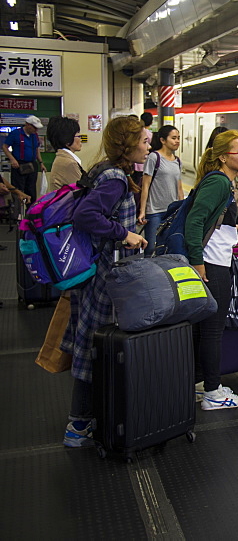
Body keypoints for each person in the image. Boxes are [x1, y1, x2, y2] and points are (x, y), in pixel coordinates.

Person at [61, 116, 149, 447]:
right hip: (105, 276)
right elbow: (86, 216)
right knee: (93, 346)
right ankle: (79, 425)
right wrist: (124, 233)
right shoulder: (114, 178)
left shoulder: (103, 170)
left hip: (96, 270)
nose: (147, 145)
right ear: (128, 145)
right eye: (143, 140)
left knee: (93, 343)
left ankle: (88, 418)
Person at [186, 130, 238, 410]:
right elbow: (194, 221)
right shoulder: (220, 183)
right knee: (213, 330)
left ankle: (201, 383)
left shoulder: (222, 181)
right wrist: (198, 263)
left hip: (212, 261)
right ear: (224, 156)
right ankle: (213, 392)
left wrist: (230, 226)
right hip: (212, 266)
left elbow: (211, 218)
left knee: (202, 330)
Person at [138, 125, 184, 256]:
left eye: (178, 138)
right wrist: (142, 211)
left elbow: (179, 187)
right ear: (163, 140)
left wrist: (182, 208)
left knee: (166, 246)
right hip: (154, 211)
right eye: (173, 138)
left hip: (172, 212)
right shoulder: (154, 157)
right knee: (151, 247)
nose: (177, 141)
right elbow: (145, 185)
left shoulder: (178, 161)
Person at [3, 114, 46, 203]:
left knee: (31, 190)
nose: (36, 130)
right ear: (27, 124)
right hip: (19, 165)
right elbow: (5, 147)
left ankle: (30, 212)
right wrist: (12, 159)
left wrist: (41, 162)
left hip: (32, 164)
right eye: (34, 127)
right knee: (18, 189)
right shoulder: (16, 133)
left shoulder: (35, 135)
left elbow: (37, 149)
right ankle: (17, 212)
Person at [46, 116, 84, 192]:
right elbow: (82, 194)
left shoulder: (63, 158)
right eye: (78, 136)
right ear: (66, 140)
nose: (81, 139)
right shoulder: (69, 163)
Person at [132, 112, 154, 188]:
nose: (149, 147)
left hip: (136, 166)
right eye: (144, 142)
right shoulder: (149, 134)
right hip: (144, 166)